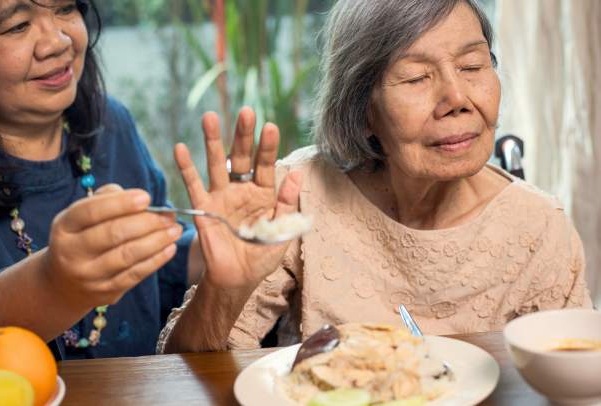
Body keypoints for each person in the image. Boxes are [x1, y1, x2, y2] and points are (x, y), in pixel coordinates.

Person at [158, 0, 592, 354]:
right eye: (416, 76)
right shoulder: (298, 195)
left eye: (473, 65)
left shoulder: (540, 228)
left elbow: (569, 381)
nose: (457, 98)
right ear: (362, 111)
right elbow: (187, 372)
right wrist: (223, 289)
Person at [0, 0, 290, 360]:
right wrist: (53, 282)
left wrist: (218, 243)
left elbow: (159, 272)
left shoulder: (111, 124)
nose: (57, 41)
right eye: (17, 25)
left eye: (66, 8)